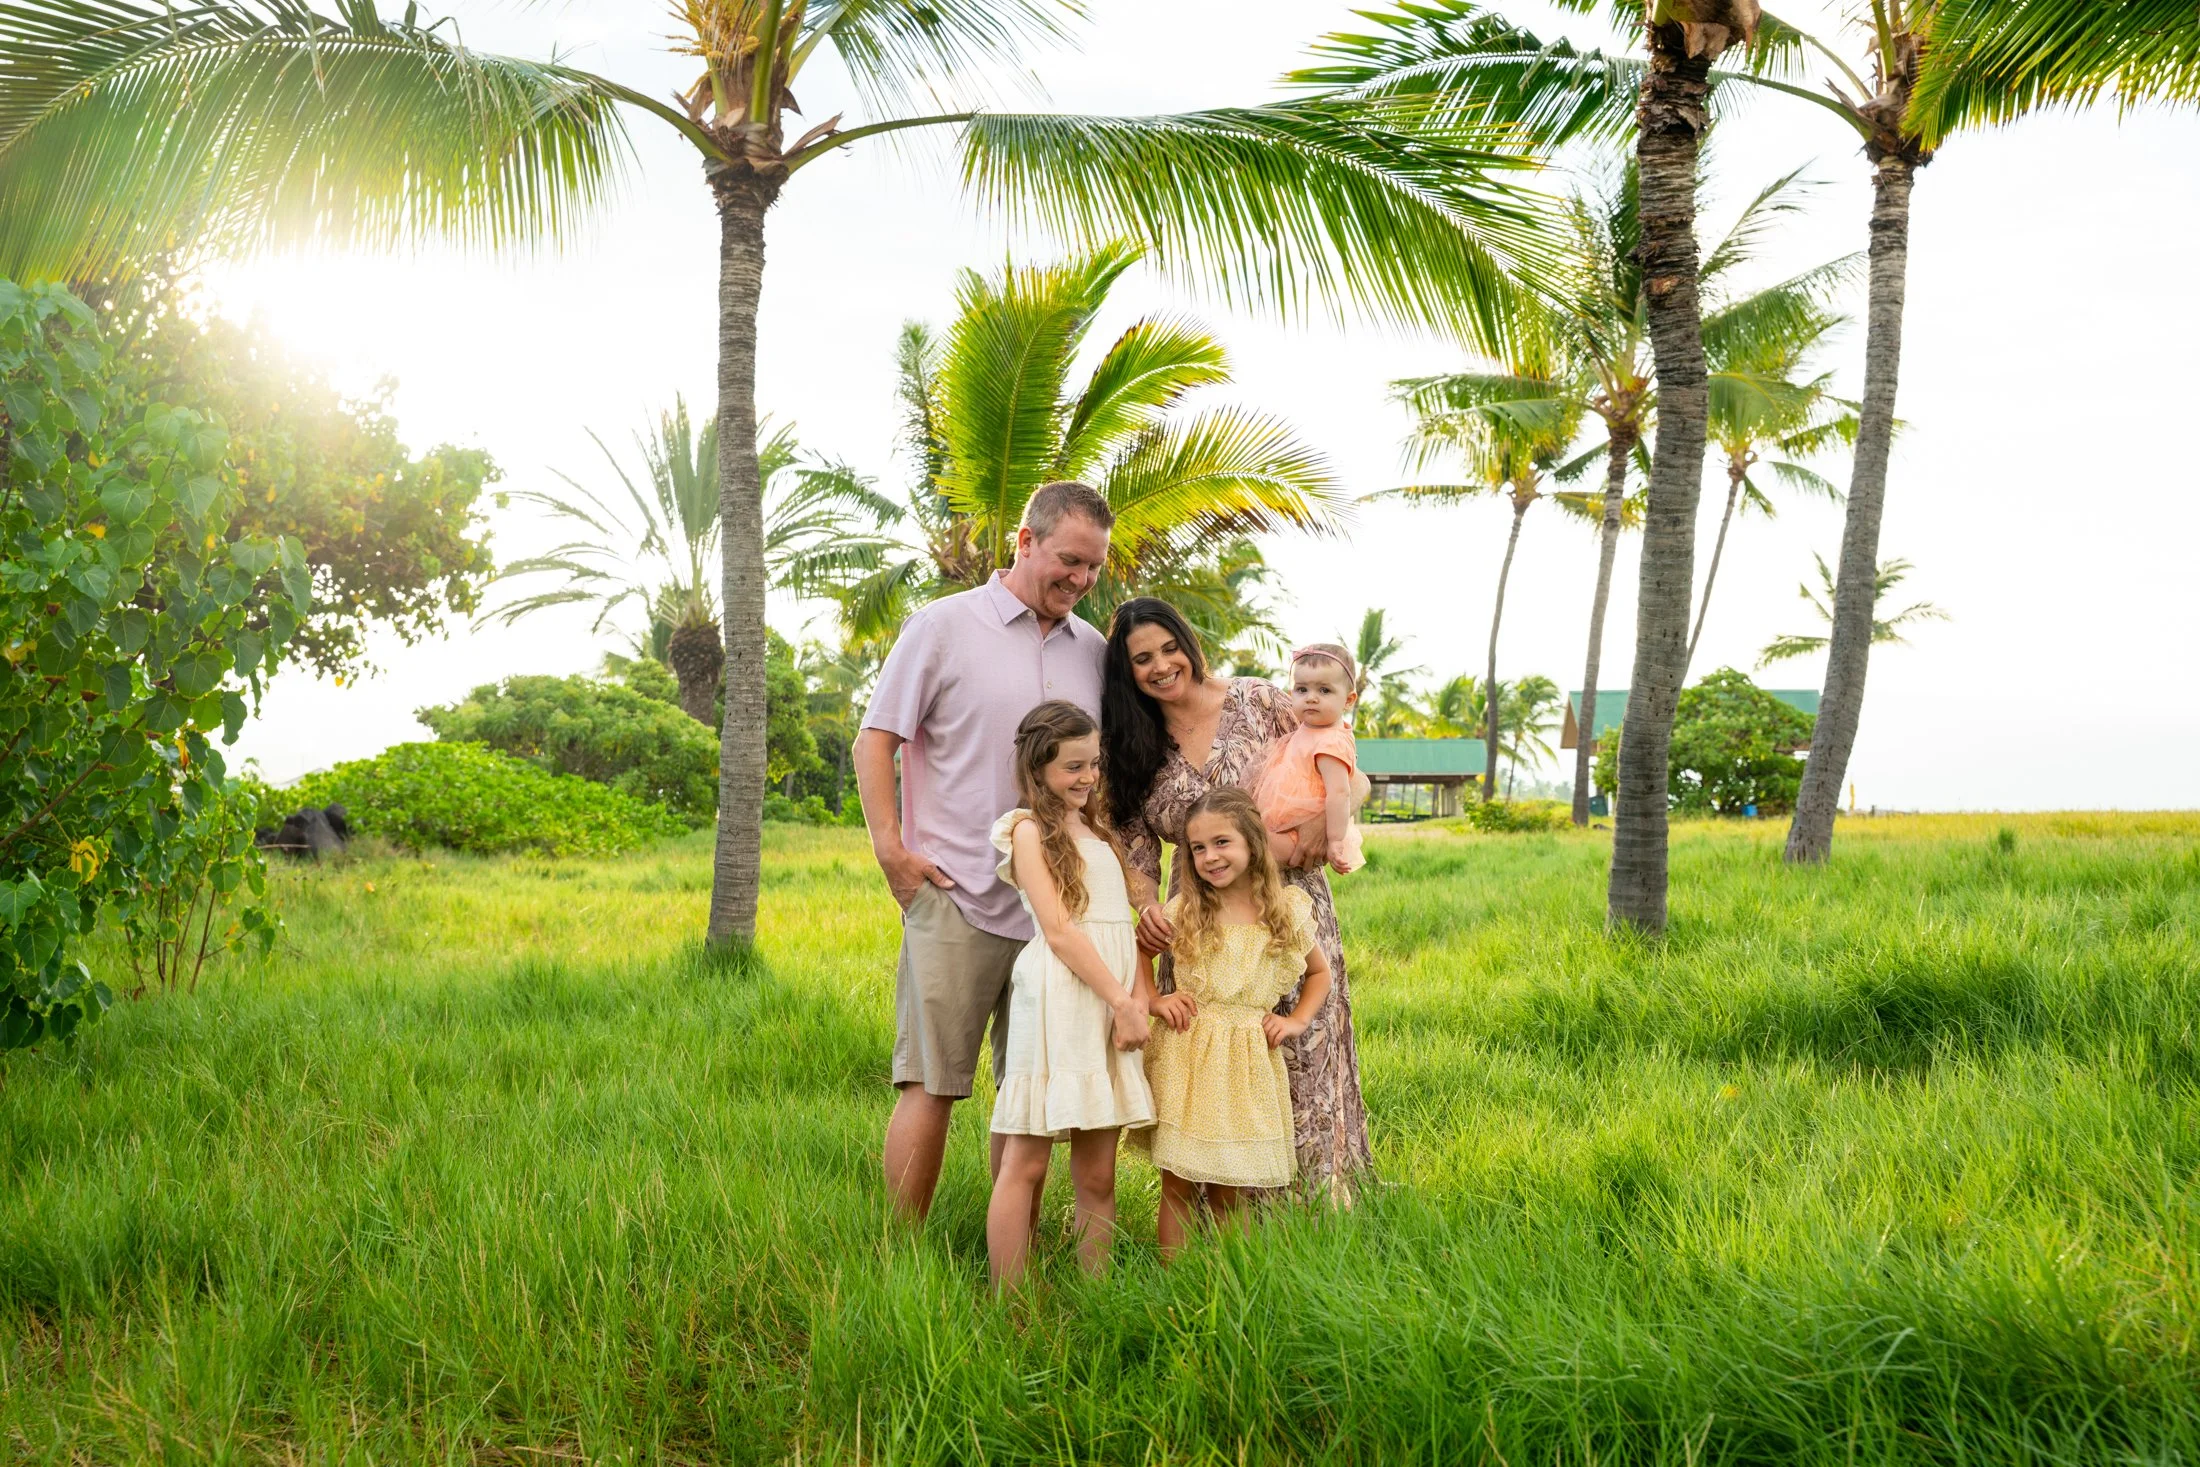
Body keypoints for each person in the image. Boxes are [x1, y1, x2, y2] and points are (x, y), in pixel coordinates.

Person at [854, 481, 1115, 1220]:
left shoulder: (1091, 649)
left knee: (1027, 1094)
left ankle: (1014, 1258)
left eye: (1094, 567)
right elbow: (875, 740)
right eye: (1069, 560)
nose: (1081, 579)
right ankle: (898, 1253)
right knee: (931, 1082)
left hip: (1053, 912)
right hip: (957, 895)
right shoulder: (942, 626)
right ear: (1025, 542)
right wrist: (892, 853)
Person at [1101, 597, 1372, 1195]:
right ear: (1127, 672)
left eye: (1170, 647)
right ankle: (1211, 1226)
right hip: (1198, 924)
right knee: (1213, 1073)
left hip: (1287, 906)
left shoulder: (1257, 700)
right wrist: (1147, 911)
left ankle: (1315, 1214)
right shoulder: (1132, 745)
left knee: (1299, 1051)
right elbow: (1134, 849)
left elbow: (1350, 775)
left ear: (1189, 643)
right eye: (1142, 659)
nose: (1162, 665)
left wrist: (1308, 837)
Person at [984, 702, 1157, 1289]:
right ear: (1038, 768)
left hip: (1110, 996)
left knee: (1098, 1175)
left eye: (1093, 764)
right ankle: (1009, 1302)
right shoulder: (1027, 829)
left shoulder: (1096, 830)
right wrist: (1121, 1000)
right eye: (1072, 767)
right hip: (1064, 993)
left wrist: (1136, 994)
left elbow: (1119, 925)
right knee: (1026, 1161)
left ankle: (1097, 1298)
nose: (1087, 777)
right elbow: (1059, 929)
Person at [1141, 788, 1331, 1258]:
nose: (1210, 856)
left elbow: (1320, 973)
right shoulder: (1188, 909)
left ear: (1252, 842)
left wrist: (1297, 1022)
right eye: (1198, 848)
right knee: (1178, 1185)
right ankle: (1176, 1283)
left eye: (1221, 842)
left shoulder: (1283, 910)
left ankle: (1232, 1285)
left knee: (1232, 1190)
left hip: (1246, 1064)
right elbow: (1138, 951)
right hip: (1188, 1054)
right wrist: (1154, 1000)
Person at [1250, 644, 1370, 873]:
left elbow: (1340, 792)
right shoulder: (1308, 729)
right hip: (1282, 822)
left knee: (1251, 850)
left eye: (1324, 691)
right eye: (1302, 689)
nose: (1311, 698)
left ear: (1348, 700)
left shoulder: (1332, 742)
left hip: (1299, 833)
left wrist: (1334, 840)